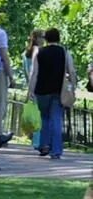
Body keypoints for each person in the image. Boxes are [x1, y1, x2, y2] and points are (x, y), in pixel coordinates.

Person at [28, 27, 75, 160]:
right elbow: (71, 71)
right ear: (58, 38)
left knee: (44, 117)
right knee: (56, 119)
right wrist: (73, 86)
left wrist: (30, 90)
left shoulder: (39, 52)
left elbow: (34, 73)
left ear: (46, 39)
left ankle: (44, 144)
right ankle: (56, 150)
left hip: (41, 90)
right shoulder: (64, 52)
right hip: (58, 90)